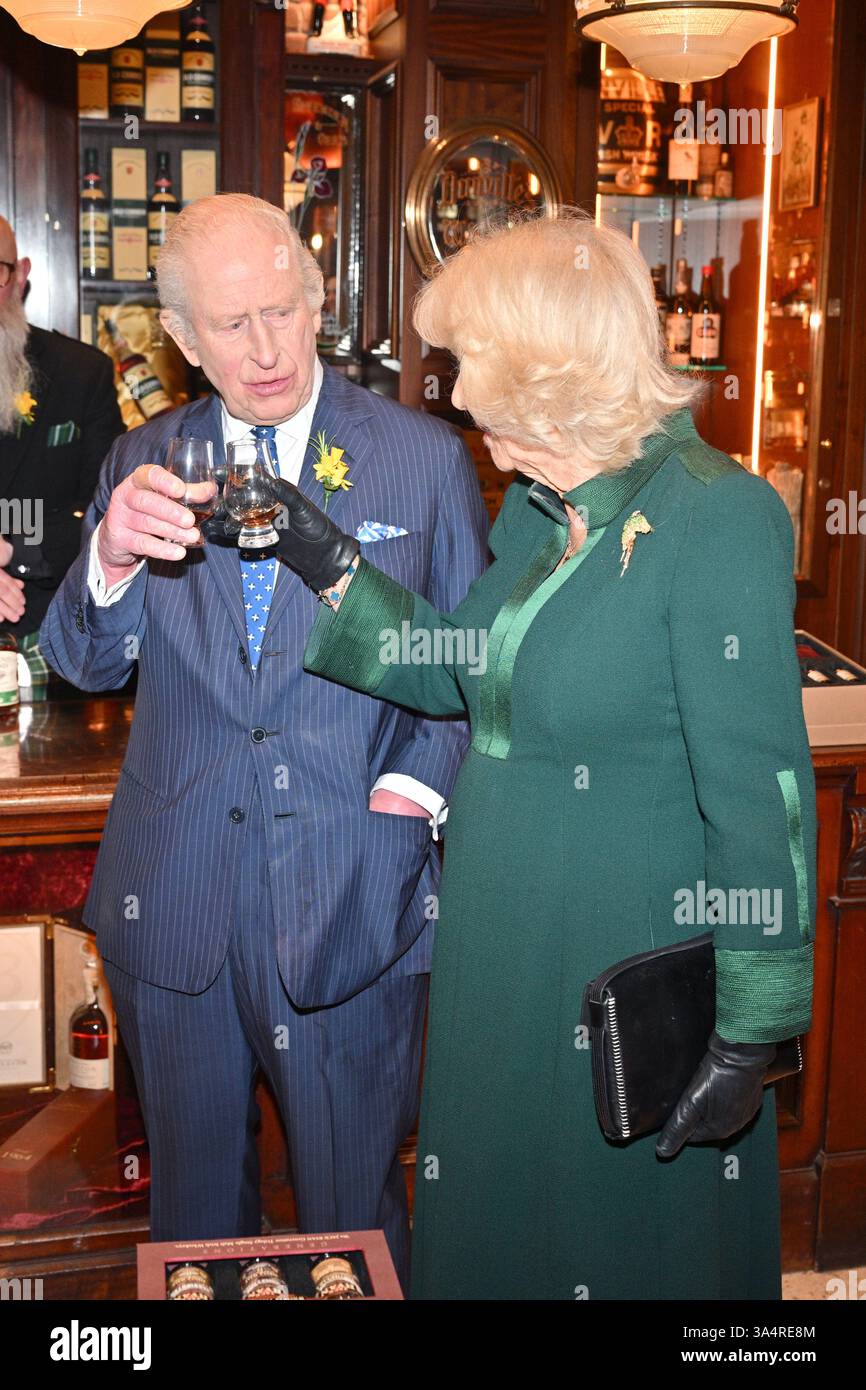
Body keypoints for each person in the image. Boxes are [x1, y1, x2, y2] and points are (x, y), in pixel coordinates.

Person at [254, 208, 817, 1300]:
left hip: (616, 970)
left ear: (547, 370)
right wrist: (321, 558)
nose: (453, 393)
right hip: (497, 962)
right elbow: (453, 669)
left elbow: (765, 804)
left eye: (469, 361)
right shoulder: (534, 509)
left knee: (614, 1247)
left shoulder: (718, 518)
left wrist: (749, 1034)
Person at [39, 193, 489, 1287]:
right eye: (230, 326)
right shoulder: (142, 461)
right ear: (183, 341)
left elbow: (469, 666)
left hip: (355, 893)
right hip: (175, 900)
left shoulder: (421, 458)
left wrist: (414, 793)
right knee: (192, 1236)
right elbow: (85, 662)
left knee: (350, 1227)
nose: (266, 347)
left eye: (282, 311)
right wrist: (108, 560)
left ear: (319, 295)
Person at [0, 215, 123, 694]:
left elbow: (108, 516)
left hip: (45, 643)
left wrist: (13, 546)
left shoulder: (80, 374)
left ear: (21, 274)